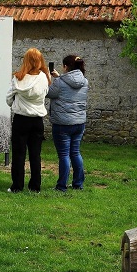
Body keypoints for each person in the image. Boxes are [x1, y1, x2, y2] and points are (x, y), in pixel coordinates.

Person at [6, 47, 51, 193]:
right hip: (37, 120)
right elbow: (45, 93)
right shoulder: (44, 78)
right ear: (40, 61)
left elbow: (8, 98)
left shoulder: (18, 78)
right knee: (35, 154)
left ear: (25, 61)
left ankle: (17, 186)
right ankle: (35, 186)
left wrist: (16, 103)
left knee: (18, 154)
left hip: (21, 119)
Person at [47, 55, 89, 191]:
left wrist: (49, 79)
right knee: (75, 153)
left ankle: (61, 186)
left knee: (64, 155)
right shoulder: (85, 81)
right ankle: (78, 184)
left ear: (65, 67)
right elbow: (70, 85)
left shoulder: (59, 82)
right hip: (79, 122)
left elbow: (48, 93)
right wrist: (59, 77)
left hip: (62, 124)